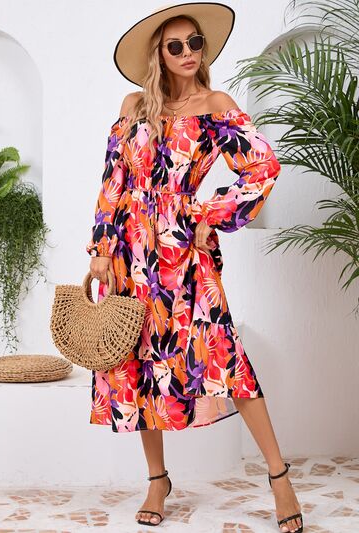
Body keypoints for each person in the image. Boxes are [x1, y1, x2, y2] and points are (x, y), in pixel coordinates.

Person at [86, 3, 303, 532]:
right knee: (138, 361)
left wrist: (211, 214)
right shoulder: (134, 105)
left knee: (226, 357)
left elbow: (264, 166)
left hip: (183, 255)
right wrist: (100, 249)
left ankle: (279, 476)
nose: (187, 53)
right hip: (131, 256)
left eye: (195, 43)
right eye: (175, 45)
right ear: (159, 54)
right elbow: (114, 181)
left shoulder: (216, 106)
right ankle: (157, 480)